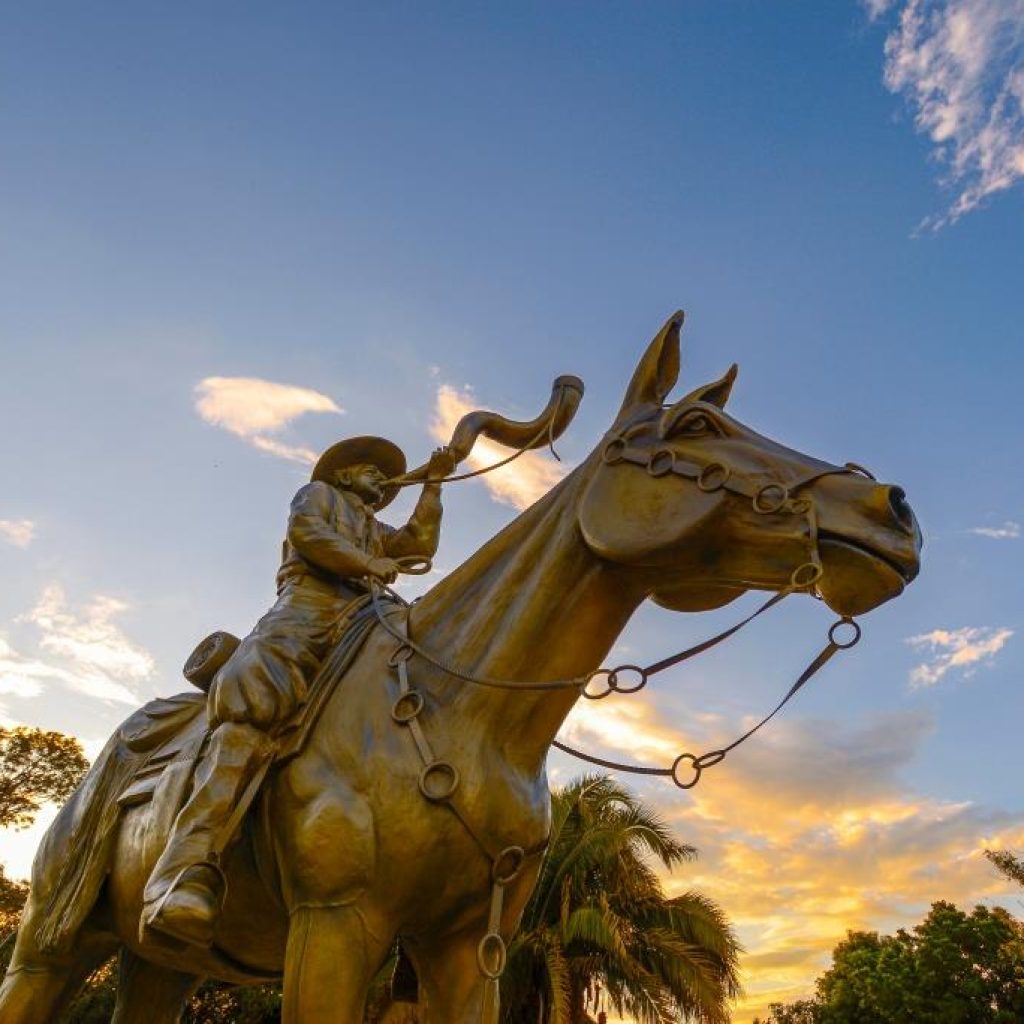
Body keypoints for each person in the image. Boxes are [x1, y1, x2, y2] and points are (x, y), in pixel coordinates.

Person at [141, 435, 456, 947]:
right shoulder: (317, 498)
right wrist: (365, 563)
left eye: (382, 472)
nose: (378, 476)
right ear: (342, 475)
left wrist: (436, 485)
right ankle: (183, 866)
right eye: (368, 469)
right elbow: (308, 534)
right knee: (253, 697)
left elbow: (418, 546)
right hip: (305, 612)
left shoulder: (377, 528)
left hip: (368, 617)